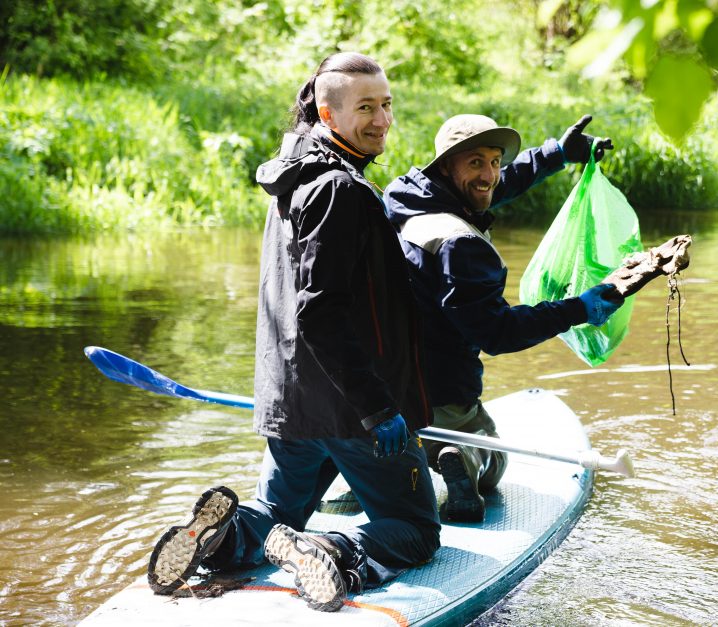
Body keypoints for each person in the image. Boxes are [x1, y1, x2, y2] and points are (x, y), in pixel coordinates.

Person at [145, 52, 440, 613]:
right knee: (413, 528)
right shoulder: (339, 190)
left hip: (292, 400)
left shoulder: (296, 179)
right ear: (328, 116)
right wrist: (379, 407)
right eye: (365, 109)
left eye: (386, 105)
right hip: (353, 409)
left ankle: (225, 538)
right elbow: (320, 310)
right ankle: (330, 550)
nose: (381, 120)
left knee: (273, 513)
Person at [383, 113, 621, 522]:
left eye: (495, 161)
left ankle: (384, 464)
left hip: (382, 387)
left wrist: (555, 154)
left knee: (393, 454)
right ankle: (464, 454)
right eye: (476, 162)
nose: (490, 174)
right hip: (439, 391)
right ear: (446, 165)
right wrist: (579, 309)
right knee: (495, 464)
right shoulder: (461, 246)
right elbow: (498, 332)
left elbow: (487, 190)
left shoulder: (402, 199)